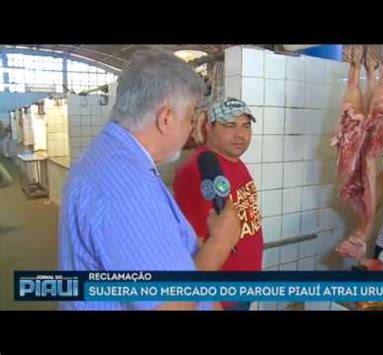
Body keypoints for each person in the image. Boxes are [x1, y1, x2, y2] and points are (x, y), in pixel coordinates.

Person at [58, 50, 242, 311]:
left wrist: (191, 244)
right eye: (190, 117)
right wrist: (220, 243)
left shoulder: (109, 155)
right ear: (166, 118)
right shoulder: (127, 187)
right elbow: (172, 304)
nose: (192, 128)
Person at [173, 97, 264, 311]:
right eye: (229, 125)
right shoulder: (197, 172)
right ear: (209, 127)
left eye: (245, 126)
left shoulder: (234, 161)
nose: (240, 135)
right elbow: (193, 244)